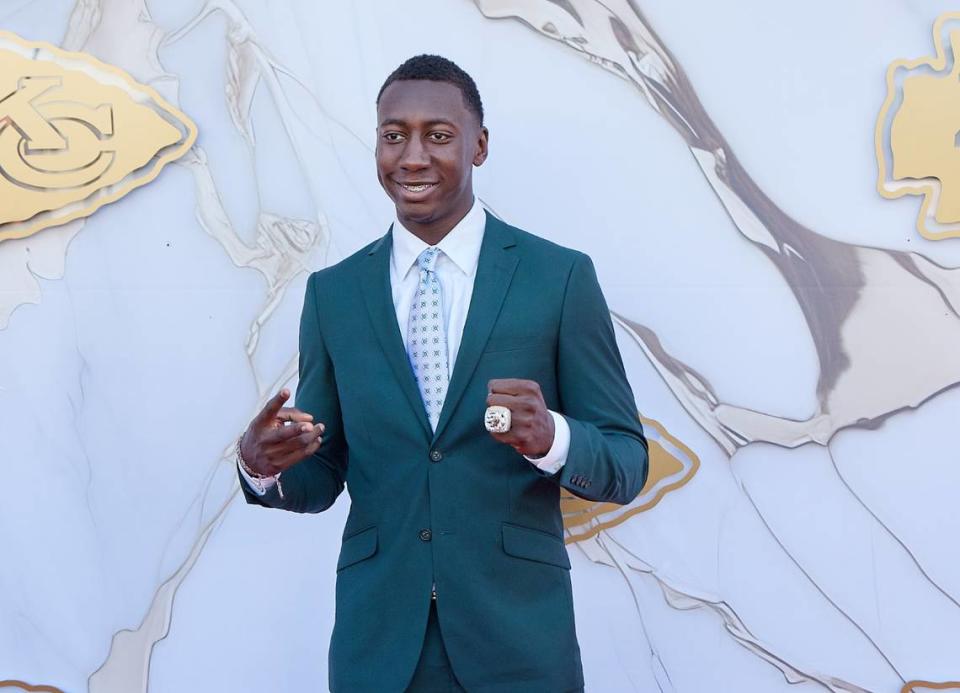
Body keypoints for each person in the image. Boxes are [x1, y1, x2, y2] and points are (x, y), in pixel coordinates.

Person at [236, 54, 648, 693]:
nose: (413, 156)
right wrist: (264, 465)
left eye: (439, 134)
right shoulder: (333, 295)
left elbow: (627, 463)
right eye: (393, 135)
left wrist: (554, 439)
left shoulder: (559, 279)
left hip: (519, 646)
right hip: (380, 650)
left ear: (479, 146)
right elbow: (322, 473)